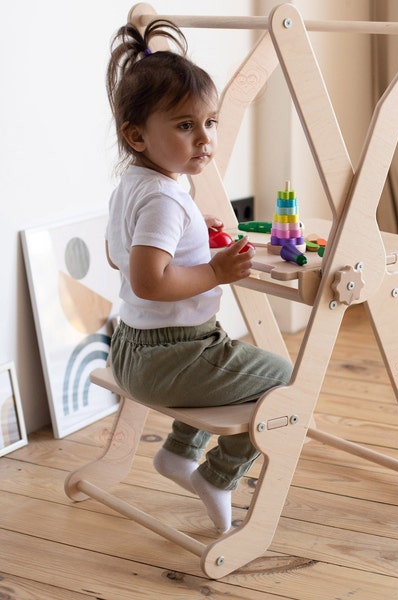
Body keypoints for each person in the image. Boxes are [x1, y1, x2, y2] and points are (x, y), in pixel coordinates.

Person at [104, 19, 293, 534]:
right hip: (170, 354)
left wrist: (190, 234)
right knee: (286, 379)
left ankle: (177, 453)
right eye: (185, 126)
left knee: (233, 358)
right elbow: (148, 281)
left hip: (133, 347)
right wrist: (212, 270)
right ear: (137, 135)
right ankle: (219, 473)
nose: (205, 139)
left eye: (209, 123)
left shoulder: (137, 185)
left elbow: (117, 254)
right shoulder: (165, 197)